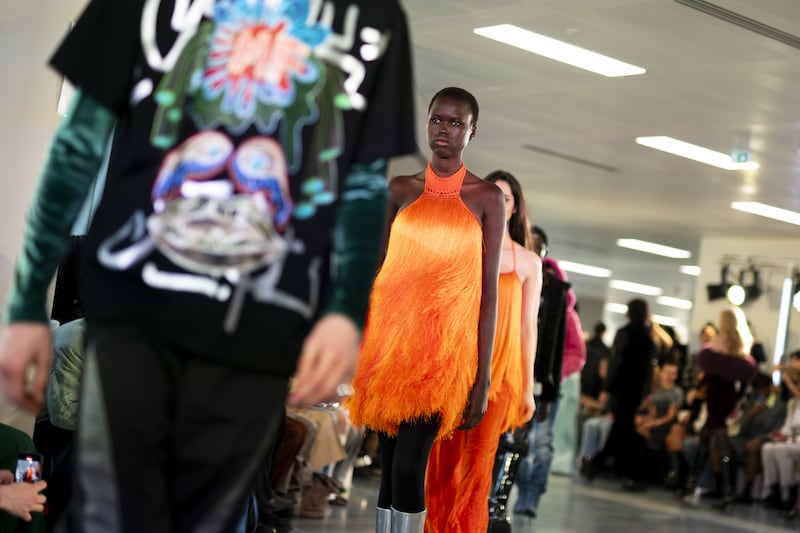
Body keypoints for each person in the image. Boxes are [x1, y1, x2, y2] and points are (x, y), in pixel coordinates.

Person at [0, 2, 416, 531]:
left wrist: (345, 314)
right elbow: (79, 142)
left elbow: (362, 184)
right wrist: (28, 300)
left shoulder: (372, 20)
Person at [346, 87, 505, 533]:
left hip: (441, 358)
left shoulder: (486, 199)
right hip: (387, 351)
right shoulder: (400, 190)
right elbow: (372, 274)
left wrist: (483, 375)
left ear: (472, 131)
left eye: (456, 123)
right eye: (438, 119)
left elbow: (487, 295)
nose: (445, 129)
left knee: (408, 469)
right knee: (390, 468)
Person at [424, 170, 541, 533]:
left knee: (479, 464)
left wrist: (528, 388)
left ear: (514, 208)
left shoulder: (528, 263)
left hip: (502, 376)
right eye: (491, 196)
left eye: (505, 198)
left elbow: (527, 327)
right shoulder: (462, 251)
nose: (497, 203)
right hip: (457, 374)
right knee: (443, 461)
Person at [683, 307, 757, 508]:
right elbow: (743, 381)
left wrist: (696, 389)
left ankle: (722, 489)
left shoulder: (718, 341)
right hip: (729, 396)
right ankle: (704, 486)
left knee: (715, 437)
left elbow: (710, 373)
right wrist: (738, 400)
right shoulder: (743, 342)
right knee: (709, 435)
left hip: (716, 394)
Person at [588, 299, 656, 491]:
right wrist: (644, 394)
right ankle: (604, 466)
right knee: (623, 428)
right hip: (635, 391)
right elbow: (649, 371)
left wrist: (607, 388)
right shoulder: (648, 338)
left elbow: (615, 362)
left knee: (623, 428)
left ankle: (603, 465)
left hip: (622, 388)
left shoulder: (623, 333)